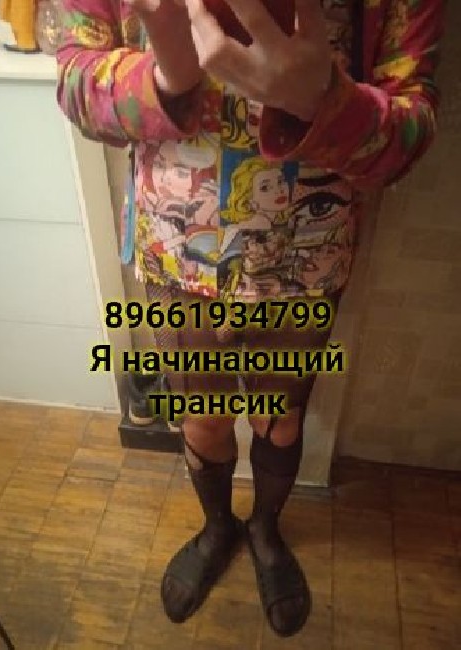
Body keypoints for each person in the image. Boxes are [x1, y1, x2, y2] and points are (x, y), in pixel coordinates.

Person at [56, 0, 445, 637]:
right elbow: (75, 82)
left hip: (307, 259)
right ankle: (217, 528)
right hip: (177, 256)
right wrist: (163, 79)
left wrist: (325, 100)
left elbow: (412, 130)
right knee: (202, 420)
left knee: (280, 421)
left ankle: (265, 530)